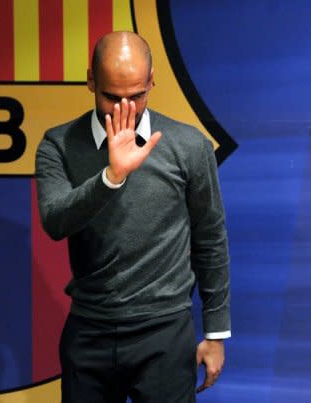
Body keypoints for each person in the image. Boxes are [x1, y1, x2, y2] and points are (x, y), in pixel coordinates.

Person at [35, 31, 230, 402]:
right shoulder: (58, 145)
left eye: (137, 95)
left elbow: (210, 239)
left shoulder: (189, 146)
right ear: (91, 79)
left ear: (153, 80)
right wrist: (111, 177)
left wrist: (216, 334)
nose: (125, 107)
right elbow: (55, 221)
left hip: (164, 333)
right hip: (89, 332)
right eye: (111, 96)